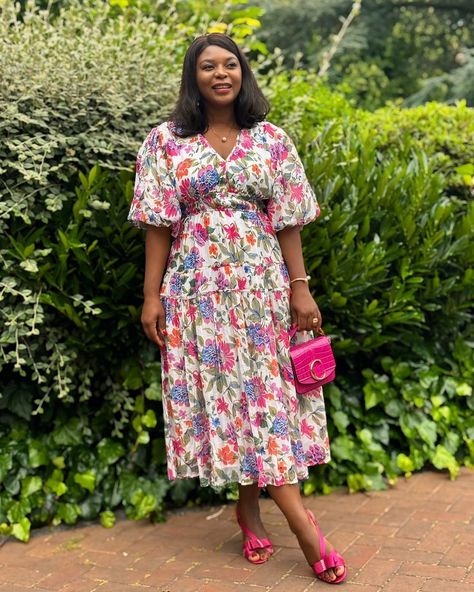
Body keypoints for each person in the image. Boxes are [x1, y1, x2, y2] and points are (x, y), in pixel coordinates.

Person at [128, 33, 346, 585]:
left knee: (266, 397)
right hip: (197, 290)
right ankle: (286, 522)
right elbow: (157, 225)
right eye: (208, 66)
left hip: (263, 288)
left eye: (230, 64)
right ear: (193, 77)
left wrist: (301, 286)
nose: (221, 73)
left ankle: (278, 517)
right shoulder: (165, 143)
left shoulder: (270, 139)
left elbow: (289, 219)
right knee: (234, 397)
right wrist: (152, 296)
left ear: (242, 73)